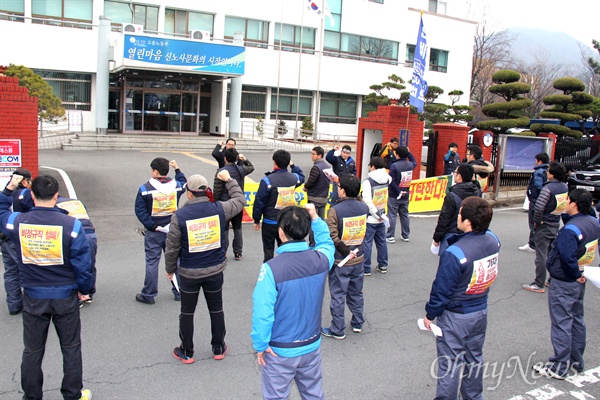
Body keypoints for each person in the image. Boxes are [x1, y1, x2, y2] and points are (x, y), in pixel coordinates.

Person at [0, 174, 93, 400]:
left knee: (32, 350)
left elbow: (1, 213)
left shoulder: (18, 222)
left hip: (33, 296)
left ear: (32, 195)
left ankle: (32, 397)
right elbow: (83, 263)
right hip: (66, 295)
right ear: (56, 196)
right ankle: (72, 394)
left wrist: (7, 190)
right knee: (70, 347)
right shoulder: (72, 225)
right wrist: (84, 289)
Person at [251, 203, 335, 399]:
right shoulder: (320, 260)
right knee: (313, 393)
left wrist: (261, 345)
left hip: (280, 349)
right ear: (306, 230)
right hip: (311, 344)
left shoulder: (271, 268)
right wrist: (315, 218)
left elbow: (263, 311)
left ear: (281, 233)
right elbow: (327, 244)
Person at [423, 196, 501, 400]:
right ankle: (473, 396)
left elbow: (442, 289)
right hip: (480, 308)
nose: (458, 216)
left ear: (467, 221)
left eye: (460, 213)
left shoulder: (455, 252)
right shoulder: (493, 240)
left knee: (449, 363)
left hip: (456, 315)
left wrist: (430, 314)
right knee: (474, 358)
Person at [165, 171, 245, 364]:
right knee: (216, 309)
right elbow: (240, 199)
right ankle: (218, 347)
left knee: (187, 311)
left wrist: (169, 269)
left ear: (189, 193)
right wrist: (229, 180)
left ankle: (187, 351)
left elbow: (172, 246)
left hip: (189, 272)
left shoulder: (180, 215)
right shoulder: (219, 209)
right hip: (215, 270)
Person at [533, 189, 600, 380]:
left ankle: (558, 366)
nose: (566, 202)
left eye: (568, 200)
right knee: (577, 318)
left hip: (565, 280)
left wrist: (574, 273)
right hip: (581, 275)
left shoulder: (570, 231)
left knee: (562, 321)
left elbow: (566, 256)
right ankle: (576, 361)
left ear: (575, 204)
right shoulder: (592, 222)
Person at [134, 158, 187, 304]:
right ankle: (179, 291)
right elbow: (184, 182)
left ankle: (149, 294)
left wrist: (151, 225)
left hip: (154, 231)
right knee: (175, 261)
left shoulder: (145, 189)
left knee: (152, 262)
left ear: (155, 171)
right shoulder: (176, 186)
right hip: (172, 230)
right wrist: (177, 168)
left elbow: (140, 210)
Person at [322, 174, 368, 338]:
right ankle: (357, 322)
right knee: (356, 292)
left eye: (339, 187)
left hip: (341, 260)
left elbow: (332, 235)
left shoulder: (335, 210)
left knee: (338, 295)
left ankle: (337, 329)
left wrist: (344, 251)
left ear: (343, 190)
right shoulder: (364, 207)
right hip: (359, 257)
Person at [523, 161, 568, 293]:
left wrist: (537, 222)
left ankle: (538, 283)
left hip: (545, 223)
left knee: (541, 255)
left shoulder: (548, 188)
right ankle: (552, 279)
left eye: (549, 172)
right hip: (555, 222)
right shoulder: (564, 187)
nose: (547, 173)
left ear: (553, 174)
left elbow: (539, 208)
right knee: (552, 254)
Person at [253, 150, 305, 262]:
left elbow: (259, 201)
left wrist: (256, 219)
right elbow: (302, 176)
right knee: (285, 249)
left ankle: (268, 273)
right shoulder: (293, 178)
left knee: (268, 250)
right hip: (286, 221)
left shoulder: (267, 180)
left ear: (274, 162)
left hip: (269, 222)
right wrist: (292, 165)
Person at [0, 168, 33, 315]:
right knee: (28, 270)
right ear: (25, 181)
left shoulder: (4, 195)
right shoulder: (26, 194)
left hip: (5, 238)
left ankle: (14, 305)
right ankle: (32, 304)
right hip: (21, 238)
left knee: (11, 272)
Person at [213, 147, 254, 261]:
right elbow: (251, 167)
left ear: (225, 158)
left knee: (224, 229)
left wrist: (215, 202)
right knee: (237, 228)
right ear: (236, 158)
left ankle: (223, 251)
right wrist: (245, 159)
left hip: (224, 203)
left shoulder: (220, 171)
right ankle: (238, 252)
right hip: (237, 203)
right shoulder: (241, 169)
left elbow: (216, 190)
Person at [56, 196, 98, 307]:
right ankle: (89, 292)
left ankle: (77, 295)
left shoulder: (55, 205)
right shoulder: (76, 202)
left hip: (75, 235)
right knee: (89, 264)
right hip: (90, 234)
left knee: (75, 265)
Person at [432, 163, 481, 255]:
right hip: (470, 235)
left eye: (455, 172)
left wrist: (436, 238)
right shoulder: (477, 192)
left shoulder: (452, 195)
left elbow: (444, 219)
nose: (454, 174)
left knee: (447, 263)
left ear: (459, 176)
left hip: (452, 235)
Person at [361, 156, 391, 275]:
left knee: (367, 243)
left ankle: (366, 267)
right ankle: (383, 265)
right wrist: (380, 215)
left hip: (371, 217)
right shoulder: (388, 178)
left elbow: (367, 201)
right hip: (382, 214)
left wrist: (375, 214)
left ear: (373, 166)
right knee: (381, 241)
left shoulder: (368, 182)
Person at [519, 153, 549, 253]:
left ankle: (532, 244)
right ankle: (538, 242)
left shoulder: (538, 172)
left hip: (536, 200)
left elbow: (537, 185)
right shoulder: (547, 171)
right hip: (542, 201)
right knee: (540, 222)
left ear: (540, 161)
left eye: (536, 160)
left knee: (533, 222)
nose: (535, 162)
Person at [386, 146, 417, 243]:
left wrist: (398, 191)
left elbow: (392, 181)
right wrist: (409, 152)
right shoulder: (410, 165)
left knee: (392, 215)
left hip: (395, 194)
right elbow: (414, 161)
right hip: (406, 192)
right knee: (404, 214)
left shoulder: (394, 166)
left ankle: (390, 235)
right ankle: (405, 235)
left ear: (397, 155)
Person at [304, 146, 330, 220]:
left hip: (314, 197)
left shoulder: (316, 167)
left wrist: (305, 187)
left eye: (313, 154)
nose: (312, 156)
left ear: (319, 155)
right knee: (321, 219)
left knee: (312, 219)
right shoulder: (327, 167)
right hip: (324, 197)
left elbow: (311, 181)